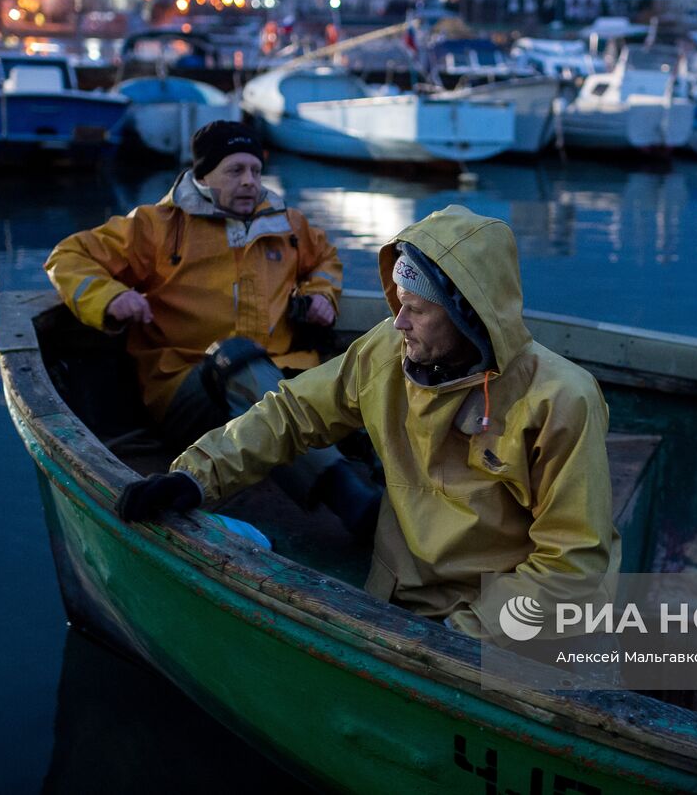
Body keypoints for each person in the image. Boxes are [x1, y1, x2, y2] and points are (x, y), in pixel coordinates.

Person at [115, 205, 620, 643]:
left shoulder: (561, 400)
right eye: (398, 303)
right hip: (395, 594)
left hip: (497, 625)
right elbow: (293, 412)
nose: (398, 321)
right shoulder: (387, 350)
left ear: (470, 317)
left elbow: (570, 564)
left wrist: (463, 640)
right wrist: (195, 477)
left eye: (417, 310)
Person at [45, 120, 377, 535]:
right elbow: (69, 255)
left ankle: (389, 477)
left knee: (357, 374)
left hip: (280, 377)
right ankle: (350, 498)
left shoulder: (287, 225)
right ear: (203, 175)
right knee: (238, 359)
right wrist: (110, 298)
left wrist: (321, 296)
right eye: (234, 171)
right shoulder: (157, 227)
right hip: (188, 388)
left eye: (255, 171)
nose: (249, 182)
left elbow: (324, 260)